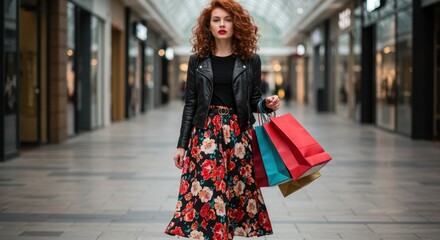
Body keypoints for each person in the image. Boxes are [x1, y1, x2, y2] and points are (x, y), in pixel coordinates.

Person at [165, 0, 280, 239]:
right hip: (206, 135)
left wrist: (266, 106)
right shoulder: (198, 60)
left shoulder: (251, 60)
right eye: (216, 20)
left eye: (227, 19)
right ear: (208, 25)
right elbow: (191, 104)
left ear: (237, 24)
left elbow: (253, 101)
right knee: (209, 194)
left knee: (234, 195)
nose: (222, 25)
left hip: (238, 135)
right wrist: (181, 145)